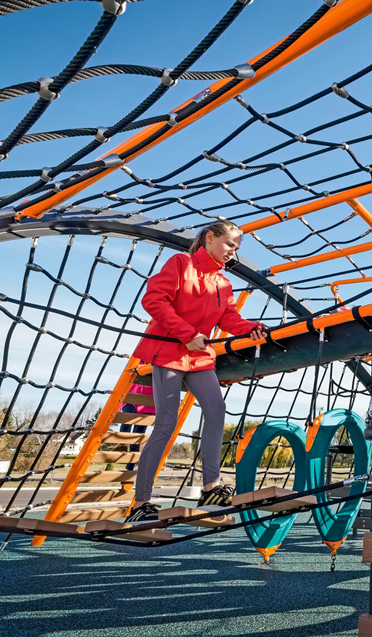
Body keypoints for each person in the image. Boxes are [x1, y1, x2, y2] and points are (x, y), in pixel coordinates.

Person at [126, 221, 267, 522]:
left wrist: (251, 328)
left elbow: (230, 319)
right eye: (230, 244)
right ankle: (140, 504)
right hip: (168, 351)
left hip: (199, 357)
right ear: (210, 238)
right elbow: (153, 300)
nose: (232, 251)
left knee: (216, 410)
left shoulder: (223, 284)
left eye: (237, 248)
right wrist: (186, 332)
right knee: (166, 422)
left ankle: (211, 487)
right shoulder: (181, 263)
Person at [119, 382, 155, 474]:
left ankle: (130, 467)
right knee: (126, 423)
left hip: (147, 403)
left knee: (137, 437)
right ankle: (122, 443)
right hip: (133, 396)